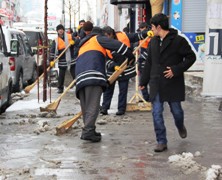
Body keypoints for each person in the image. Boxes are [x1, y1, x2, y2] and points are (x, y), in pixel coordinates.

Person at [139, 13, 196, 152]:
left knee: (176, 111)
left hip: (172, 83)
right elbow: (149, 63)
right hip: (156, 83)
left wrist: (176, 70)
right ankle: (161, 141)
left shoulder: (178, 41)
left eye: (152, 26)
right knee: (156, 112)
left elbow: (191, 57)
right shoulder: (153, 41)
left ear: (158, 27)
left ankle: (180, 126)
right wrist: (143, 81)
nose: (150, 29)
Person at [75, 26, 135, 142]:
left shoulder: (84, 44)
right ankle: (88, 131)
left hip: (79, 77)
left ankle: (89, 129)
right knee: (93, 104)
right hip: (92, 73)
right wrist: (130, 55)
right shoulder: (98, 39)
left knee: (86, 105)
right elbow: (117, 45)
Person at [100, 26, 149, 116]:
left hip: (125, 67)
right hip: (113, 69)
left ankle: (121, 109)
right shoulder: (103, 42)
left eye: (107, 36)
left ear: (111, 34)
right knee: (108, 89)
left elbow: (136, 36)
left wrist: (146, 33)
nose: (106, 38)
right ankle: (104, 108)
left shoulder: (123, 36)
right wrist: (113, 66)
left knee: (123, 89)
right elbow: (105, 59)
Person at [49, 24, 76, 93]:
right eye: (59, 30)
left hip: (71, 58)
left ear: (63, 30)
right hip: (62, 60)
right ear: (57, 31)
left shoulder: (70, 36)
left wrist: (74, 42)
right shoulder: (56, 40)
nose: (60, 31)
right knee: (61, 75)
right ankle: (60, 88)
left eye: (61, 29)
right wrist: (51, 60)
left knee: (74, 74)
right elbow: (52, 50)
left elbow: (77, 42)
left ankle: (78, 86)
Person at [138, 22, 151, 102]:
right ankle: (145, 97)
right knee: (142, 79)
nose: (142, 31)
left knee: (147, 79)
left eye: (143, 29)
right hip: (141, 58)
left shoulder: (149, 37)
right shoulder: (141, 36)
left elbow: (150, 50)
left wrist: (142, 57)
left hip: (147, 59)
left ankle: (152, 97)